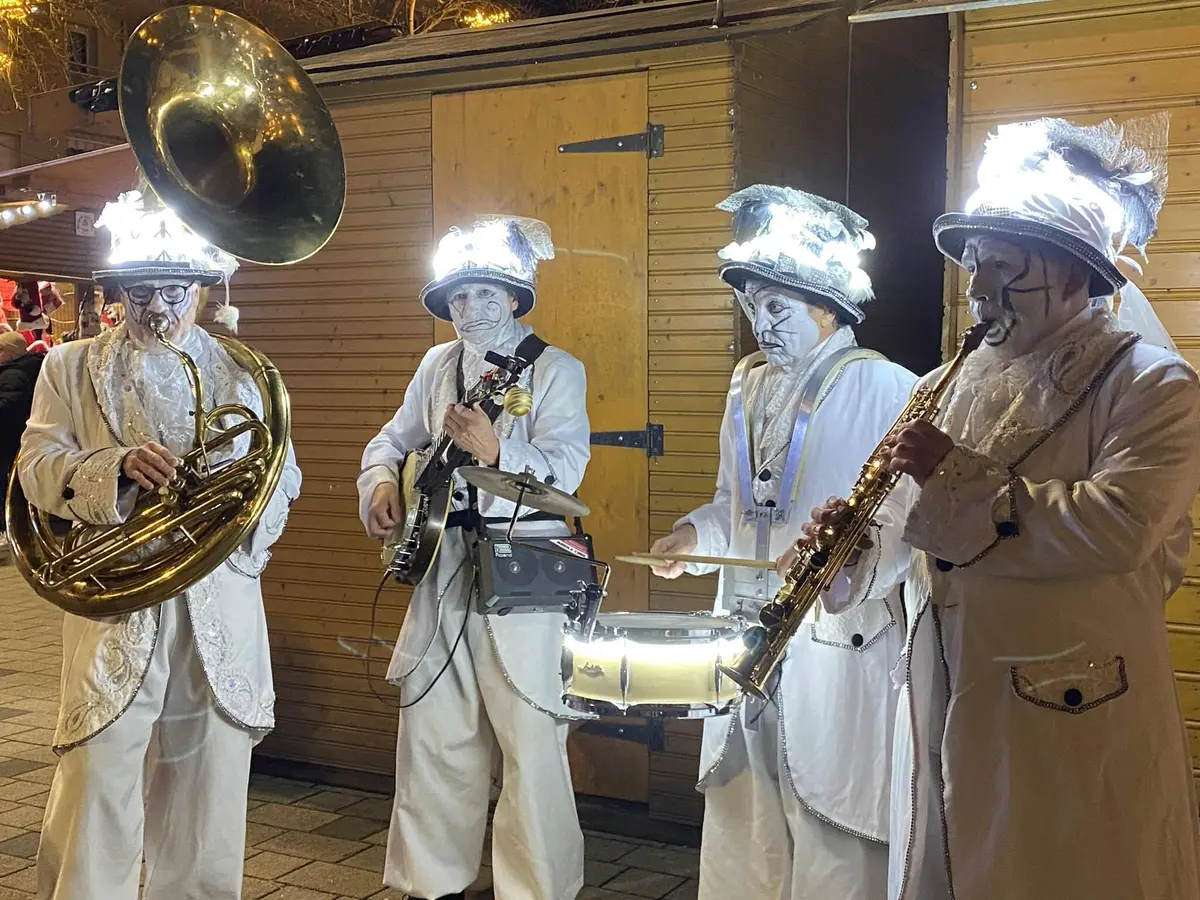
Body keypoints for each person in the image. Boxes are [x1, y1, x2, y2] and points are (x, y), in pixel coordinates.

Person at [799, 114, 1200, 900]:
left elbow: (1119, 526)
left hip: (1073, 706)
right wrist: (846, 552)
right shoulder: (945, 382)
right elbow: (904, 527)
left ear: (1078, 278)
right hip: (949, 686)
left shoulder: (1152, 386)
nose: (978, 289)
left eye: (1005, 268)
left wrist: (957, 480)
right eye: (975, 266)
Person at [20, 185, 302, 900]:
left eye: (174, 289)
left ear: (203, 291)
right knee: (98, 777)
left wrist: (232, 500)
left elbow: (284, 474)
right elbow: (34, 467)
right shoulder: (68, 366)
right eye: (141, 289)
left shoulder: (243, 370)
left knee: (207, 787)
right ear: (118, 290)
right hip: (116, 601)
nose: (158, 308)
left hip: (217, 599)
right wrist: (111, 468)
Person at [649, 185, 916, 900]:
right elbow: (736, 506)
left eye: (778, 307)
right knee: (743, 813)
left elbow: (911, 528)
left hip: (837, 637)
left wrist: (851, 573)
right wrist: (692, 536)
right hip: (745, 632)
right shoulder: (746, 386)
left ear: (828, 305)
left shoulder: (892, 387)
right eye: (752, 305)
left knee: (833, 821)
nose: (760, 324)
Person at [358, 216, 590, 900]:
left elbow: (568, 469)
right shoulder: (435, 365)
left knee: (531, 737)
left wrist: (499, 451)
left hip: (522, 572)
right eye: (457, 299)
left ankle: (537, 888)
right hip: (440, 565)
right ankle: (431, 882)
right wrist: (377, 484)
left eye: (485, 295)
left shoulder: (555, 368)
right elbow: (389, 442)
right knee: (433, 730)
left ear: (514, 298)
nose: (469, 310)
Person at [0, 330, 42, 551]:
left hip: (9, 438)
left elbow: (8, 407)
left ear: (9, 352)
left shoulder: (14, 374)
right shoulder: (22, 369)